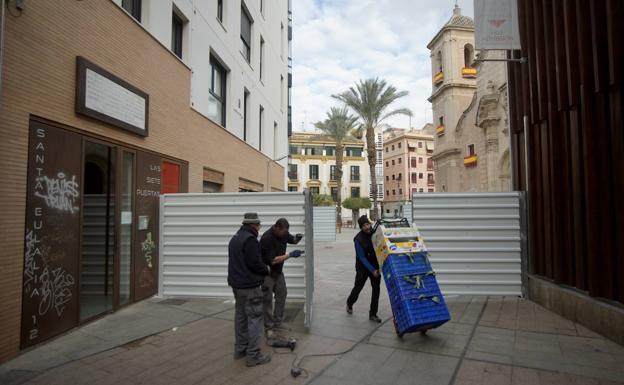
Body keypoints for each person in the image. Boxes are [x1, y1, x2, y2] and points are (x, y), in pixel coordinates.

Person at [227, 213, 272, 367]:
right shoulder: (250, 240)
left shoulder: (236, 237)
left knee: (240, 317)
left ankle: (240, 349)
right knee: (254, 319)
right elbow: (254, 263)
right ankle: (253, 355)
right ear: (253, 225)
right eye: (259, 225)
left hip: (237, 286)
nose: (259, 228)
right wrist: (266, 270)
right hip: (249, 287)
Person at [260, 218, 303, 330]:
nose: (285, 234)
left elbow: (292, 240)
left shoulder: (283, 233)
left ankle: (277, 322)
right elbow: (273, 260)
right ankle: (269, 326)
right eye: (283, 232)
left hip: (278, 272)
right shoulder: (266, 238)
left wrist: (297, 238)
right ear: (277, 228)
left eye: (286, 232)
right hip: (267, 273)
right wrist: (290, 255)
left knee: (282, 294)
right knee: (267, 299)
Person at [346, 215, 382, 322]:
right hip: (362, 266)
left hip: (374, 264)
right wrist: (372, 271)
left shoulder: (374, 233)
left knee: (376, 289)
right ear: (361, 227)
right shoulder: (358, 239)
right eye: (364, 226)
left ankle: (373, 314)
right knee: (358, 287)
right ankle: (350, 302)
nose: (367, 227)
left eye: (368, 224)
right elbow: (361, 257)